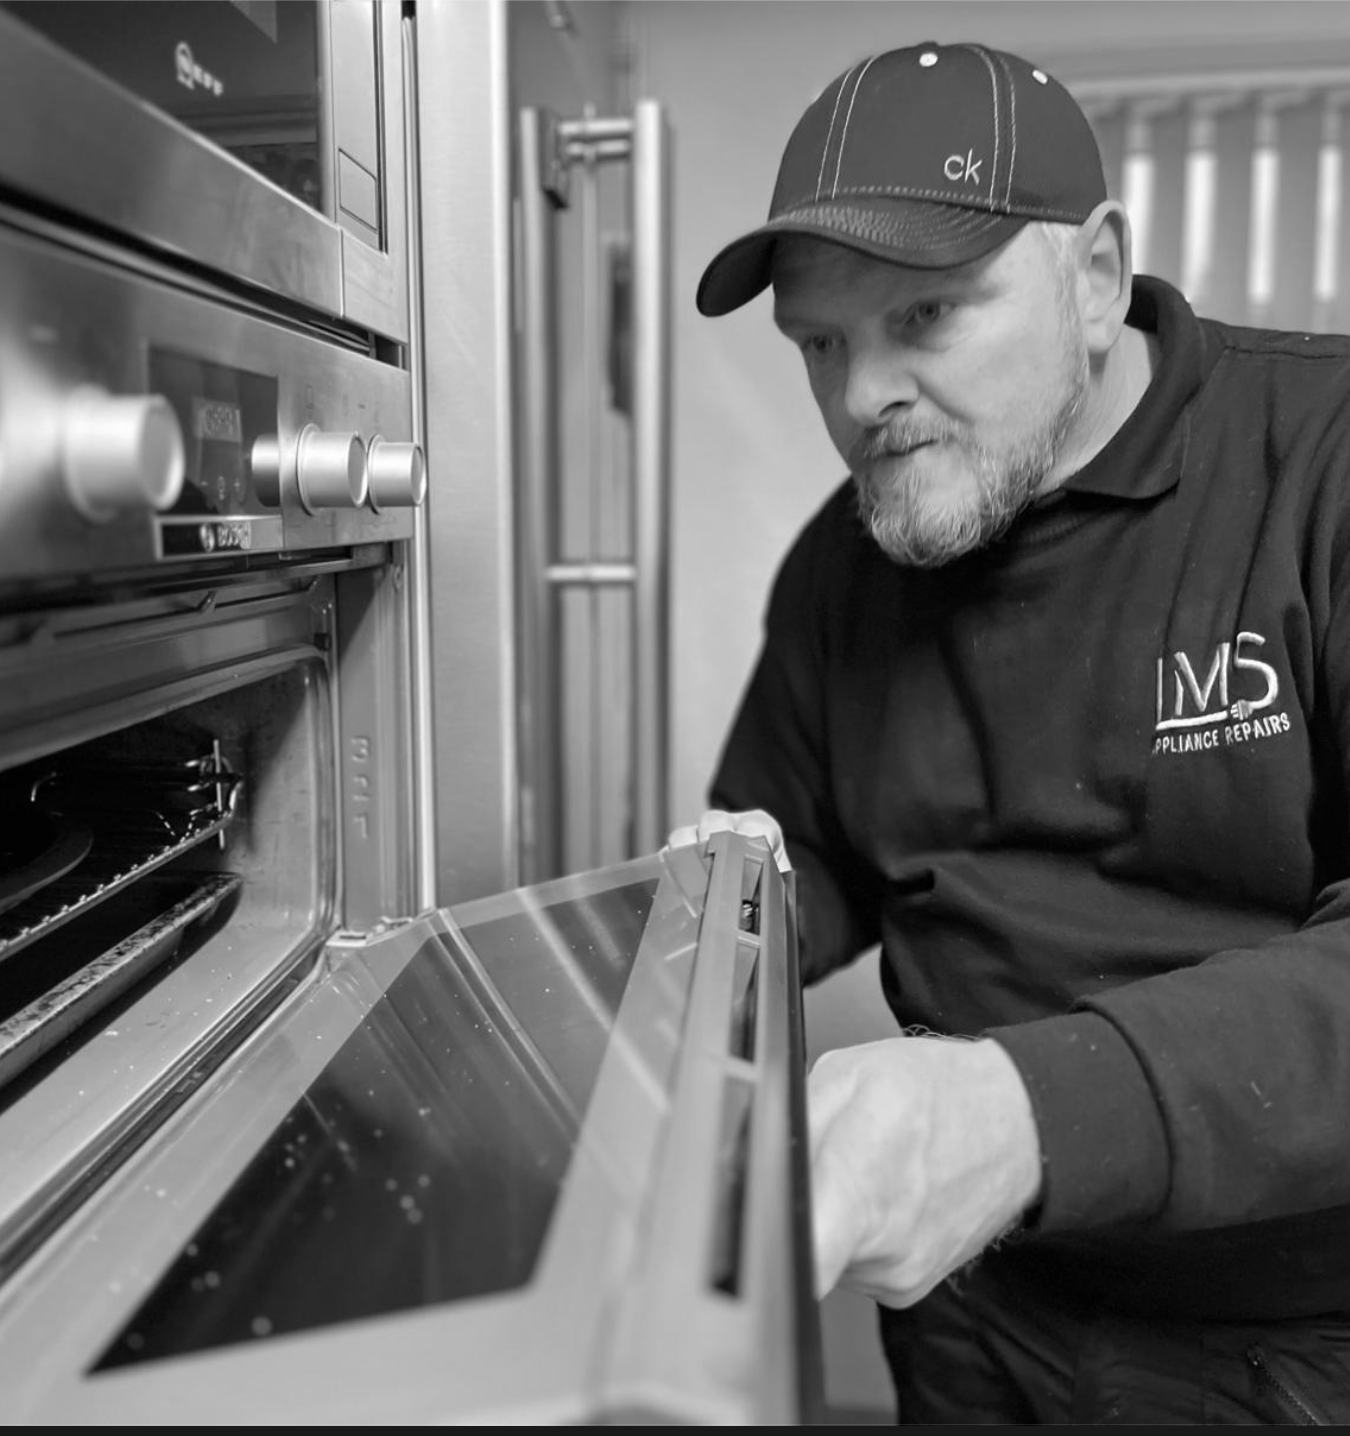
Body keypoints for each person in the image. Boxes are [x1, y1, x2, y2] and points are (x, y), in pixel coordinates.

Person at [668, 38, 1350, 1425]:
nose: (861, 399)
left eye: (924, 316)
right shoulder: (840, 569)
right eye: (819, 343)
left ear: (1093, 278)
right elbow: (808, 854)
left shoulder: (1320, 462)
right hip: (976, 1310)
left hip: (1292, 1333)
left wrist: (1016, 1113)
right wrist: (726, 905)